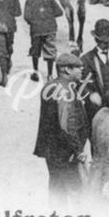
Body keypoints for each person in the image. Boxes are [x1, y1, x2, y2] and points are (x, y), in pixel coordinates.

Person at [33, 49, 89, 204]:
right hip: (66, 153)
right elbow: (67, 124)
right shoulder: (65, 91)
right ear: (66, 69)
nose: (82, 70)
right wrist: (77, 150)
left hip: (52, 151)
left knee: (57, 190)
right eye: (78, 67)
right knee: (76, 193)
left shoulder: (51, 86)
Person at [23, 0, 63, 80]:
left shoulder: (30, 0)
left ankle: (35, 72)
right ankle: (50, 74)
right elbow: (59, 12)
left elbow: (26, 17)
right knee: (50, 50)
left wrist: (33, 21)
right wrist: (48, 16)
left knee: (35, 50)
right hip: (50, 28)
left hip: (36, 29)